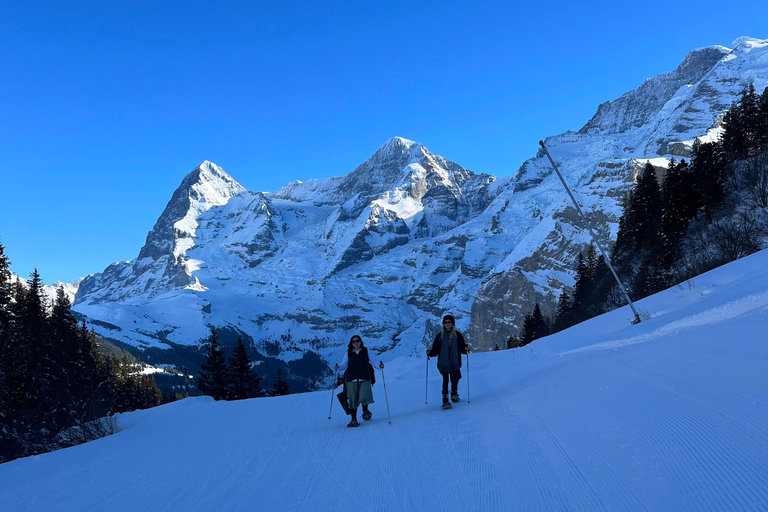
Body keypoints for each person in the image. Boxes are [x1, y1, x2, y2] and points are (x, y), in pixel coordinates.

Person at [334, 335, 384, 427]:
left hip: (364, 377)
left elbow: (374, 362)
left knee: (364, 394)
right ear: (351, 343)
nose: (356, 343)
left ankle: (365, 410)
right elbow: (343, 365)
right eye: (353, 341)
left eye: (357, 341)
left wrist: (379, 366)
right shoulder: (348, 353)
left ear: (360, 342)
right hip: (351, 379)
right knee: (353, 399)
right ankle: (354, 419)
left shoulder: (366, 351)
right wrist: (338, 368)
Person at [426, 314, 469, 409]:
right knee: (445, 380)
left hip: (455, 361)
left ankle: (454, 394)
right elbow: (435, 350)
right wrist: (430, 353)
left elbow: (462, 348)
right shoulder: (439, 336)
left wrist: (466, 349)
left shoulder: (458, 335)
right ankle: (445, 401)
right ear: (443, 324)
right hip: (443, 363)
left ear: (452, 323)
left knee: (455, 378)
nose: (447, 324)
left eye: (449, 322)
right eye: (445, 322)